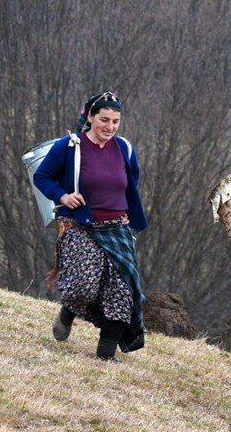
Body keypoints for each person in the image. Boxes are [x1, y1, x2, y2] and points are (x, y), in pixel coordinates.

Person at [33, 91, 147, 361]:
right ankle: (68, 312)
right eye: (104, 120)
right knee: (83, 285)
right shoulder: (69, 146)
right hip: (79, 226)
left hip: (117, 228)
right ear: (90, 118)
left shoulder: (125, 148)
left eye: (116, 121)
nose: (110, 127)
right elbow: (42, 176)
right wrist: (63, 196)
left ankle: (106, 354)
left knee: (122, 290)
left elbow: (132, 180)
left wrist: (127, 210)